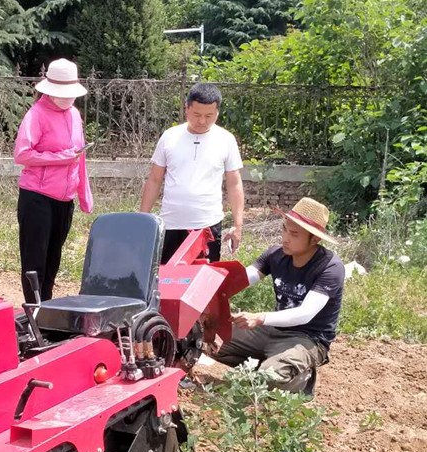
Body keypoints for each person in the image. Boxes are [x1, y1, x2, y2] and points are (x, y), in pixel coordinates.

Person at [213, 197, 345, 395]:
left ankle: (301, 379)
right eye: (284, 229)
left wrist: (260, 318)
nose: (285, 238)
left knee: (270, 379)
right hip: (272, 329)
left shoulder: (330, 268)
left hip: (306, 338)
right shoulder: (276, 254)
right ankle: (270, 363)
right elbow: (242, 279)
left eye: (294, 234)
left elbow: (305, 313)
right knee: (207, 340)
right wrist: (209, 295)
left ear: (315, 239)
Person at [14, 58, 93, 303]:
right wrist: (59, 158)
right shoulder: (36, 115)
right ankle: (33, 309)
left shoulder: (75, 115)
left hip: (64, 199)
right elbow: (22, 154)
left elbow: (79, 158)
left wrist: (83, 194)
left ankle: (46, 306)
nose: (67, 99)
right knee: (35, 259)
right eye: (62, 94)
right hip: (37, 197)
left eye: (71, 94)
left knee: (53, 257)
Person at [140, 82, 245, 264]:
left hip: (208, 225)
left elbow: (234, 183)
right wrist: (142, 219)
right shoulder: (170, 137)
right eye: (197, 114)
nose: (202, 121)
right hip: (171, 223)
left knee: (202, 283)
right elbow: (155, 180)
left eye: (209, 116)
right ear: (186, 109)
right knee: (166, 281)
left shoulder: (226, 140)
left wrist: (238, 225)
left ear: (217, 113)